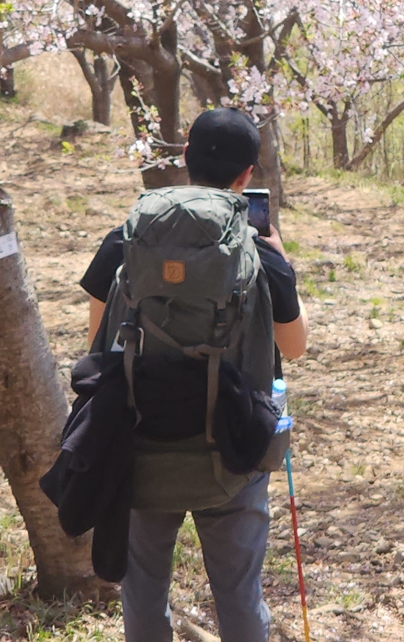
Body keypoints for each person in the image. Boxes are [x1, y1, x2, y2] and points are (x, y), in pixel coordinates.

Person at [81, 107, 307, 642]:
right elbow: (294, 349)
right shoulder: (258, 253)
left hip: (138, 440)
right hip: (230, 446)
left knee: (143, 591)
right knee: (238, 597)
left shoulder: (128, 241)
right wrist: (281, 260)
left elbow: (98, 341)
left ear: (184, 158)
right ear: (248, 175)